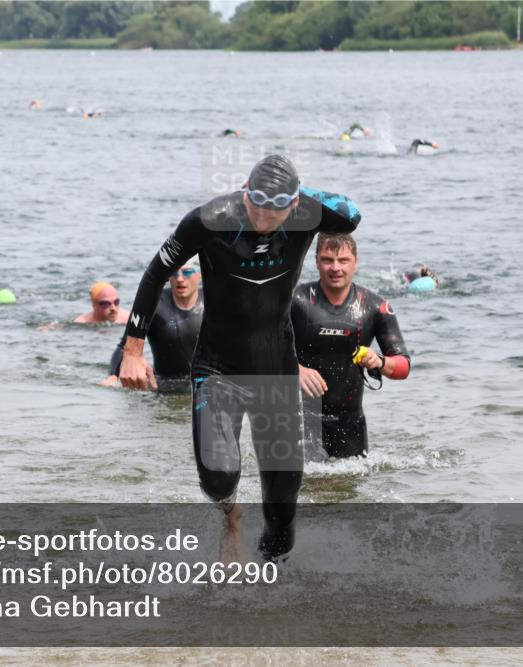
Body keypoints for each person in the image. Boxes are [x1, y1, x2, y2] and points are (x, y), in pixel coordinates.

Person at [118, 154, 361, 562]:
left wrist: (301, 194)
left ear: (293, 203)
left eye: (277, 209)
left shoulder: (306, 212)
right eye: (258, 206)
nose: (265, 218)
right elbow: (156, 271)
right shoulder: (210, 219)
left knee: (283, 508)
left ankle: (268, 582)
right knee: (217, 477)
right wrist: (133, 348)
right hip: (218, 368)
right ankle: (232, 516)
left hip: (276, 372)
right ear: (246, 194)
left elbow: (351, 215)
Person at [292, 234, 410, 459]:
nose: (335, 268)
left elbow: (404, 366)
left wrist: (380, 362)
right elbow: (261, 349)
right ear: (316, 261)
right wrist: (296, 369)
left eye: (343, 260)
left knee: (350, 491)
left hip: (350, 425)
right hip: (298, 422)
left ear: (356, 262)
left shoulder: (376, 307)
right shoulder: (295, 301)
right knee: (297, 491)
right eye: (327, 260)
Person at [104, 263, 203, 393]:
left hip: (205, 386)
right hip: (164, 388)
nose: (179, 278)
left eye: (187, 272)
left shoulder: (213, 301)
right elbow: (125, 345)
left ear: (200, 275)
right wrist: (113, 375)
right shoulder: (151, 303)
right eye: (174, 272)